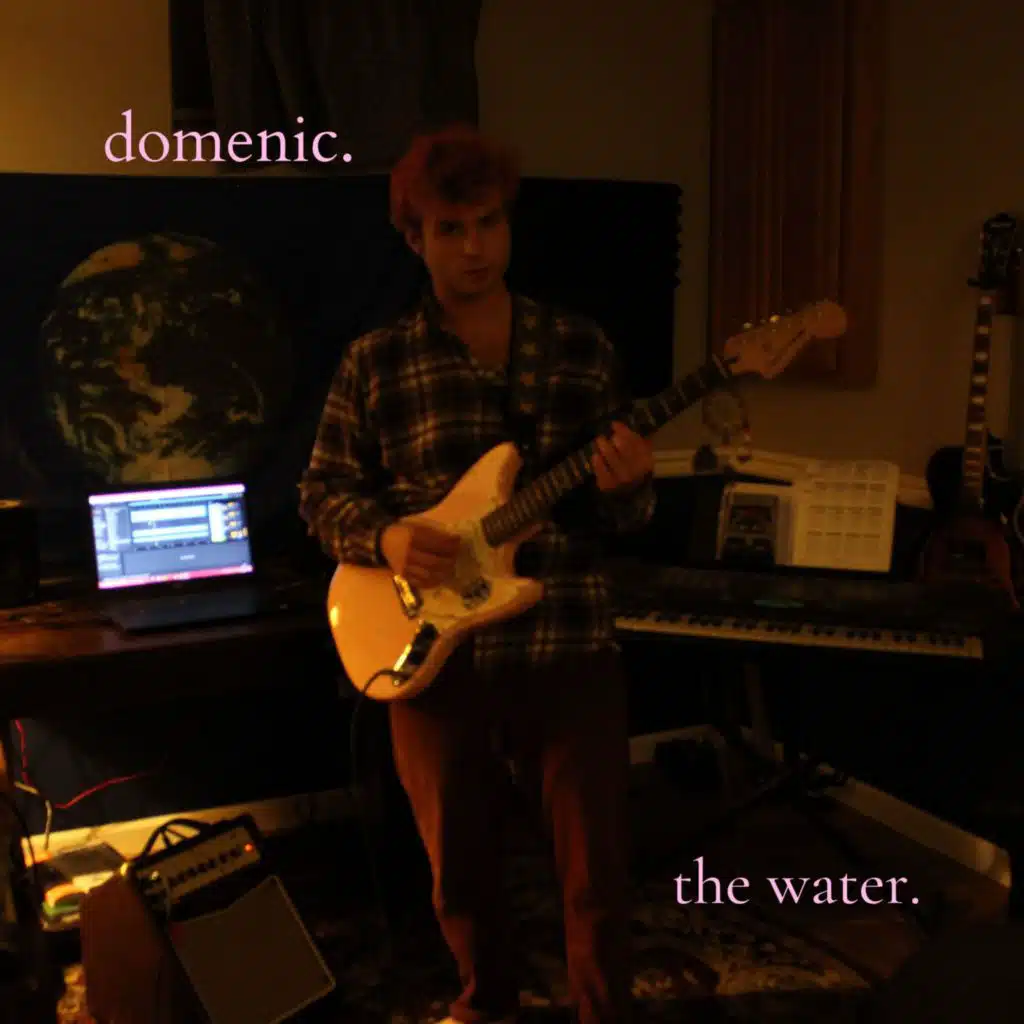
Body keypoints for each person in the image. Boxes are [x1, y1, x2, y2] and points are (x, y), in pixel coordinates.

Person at [299, 124, 656, 1024]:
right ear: (413, 238)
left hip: (564, 631)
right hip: (429, 650)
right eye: (450, 229)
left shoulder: (579, 347)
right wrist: (385, 538)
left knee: (597, 867)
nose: (475, 248)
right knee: (457, 866)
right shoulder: (376, 361)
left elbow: (620, 519)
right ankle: (486, 1001)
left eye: (490, 223)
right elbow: (320, 495)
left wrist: (630, 489)